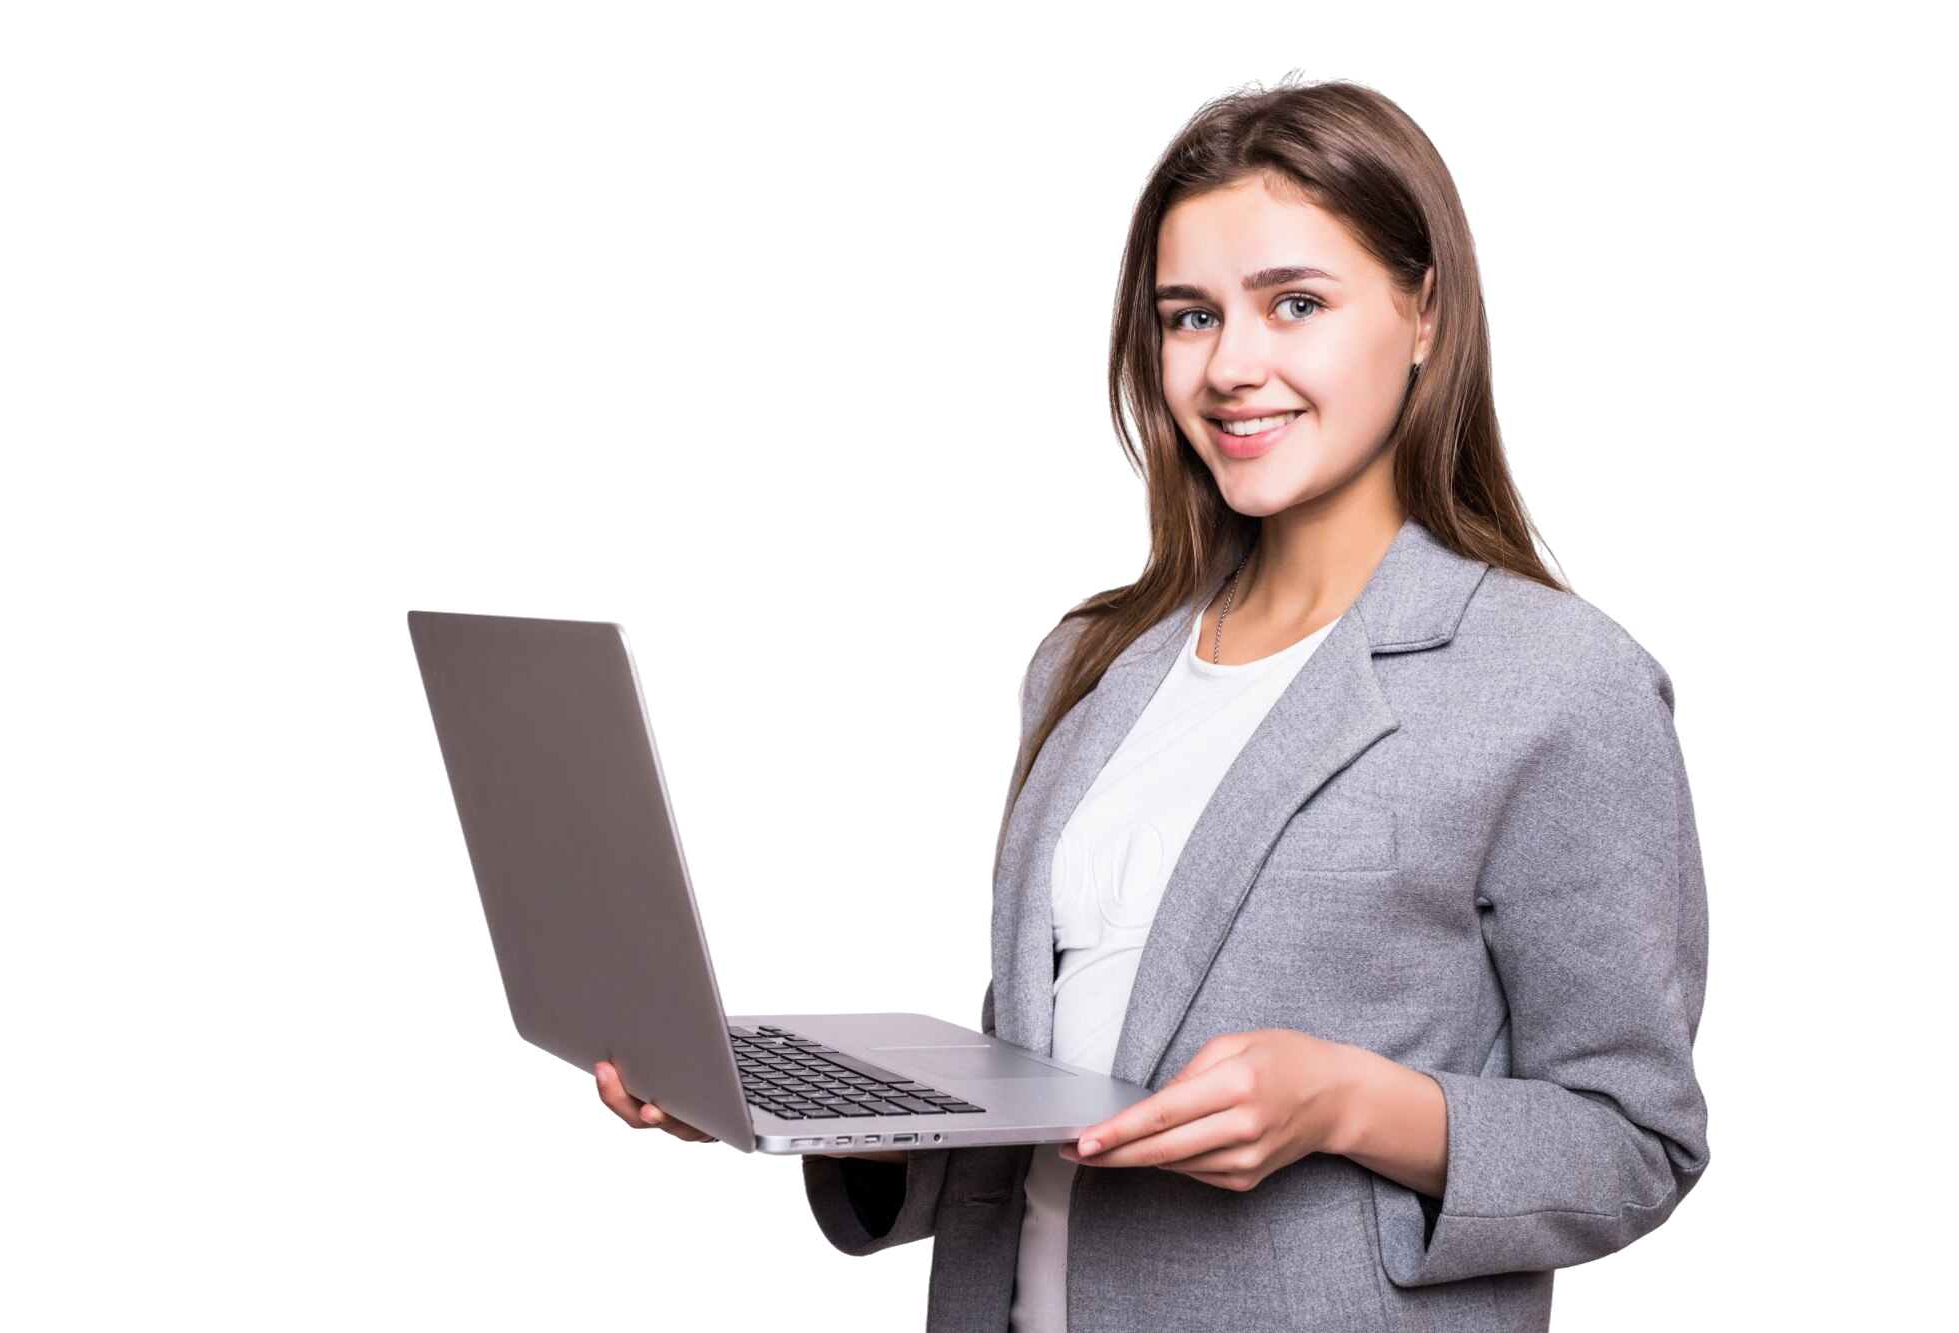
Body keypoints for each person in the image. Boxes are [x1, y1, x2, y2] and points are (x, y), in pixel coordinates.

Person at [588, 61, 1716, 1332]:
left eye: (1292, 302)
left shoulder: (1560, 681)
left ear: (1425, 315)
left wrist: (1350, 1103)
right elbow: (1047, 1082)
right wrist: (798, 1114)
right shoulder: (1085, 659)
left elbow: (1638, 1143)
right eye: (1188, 316)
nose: (1231, 366)